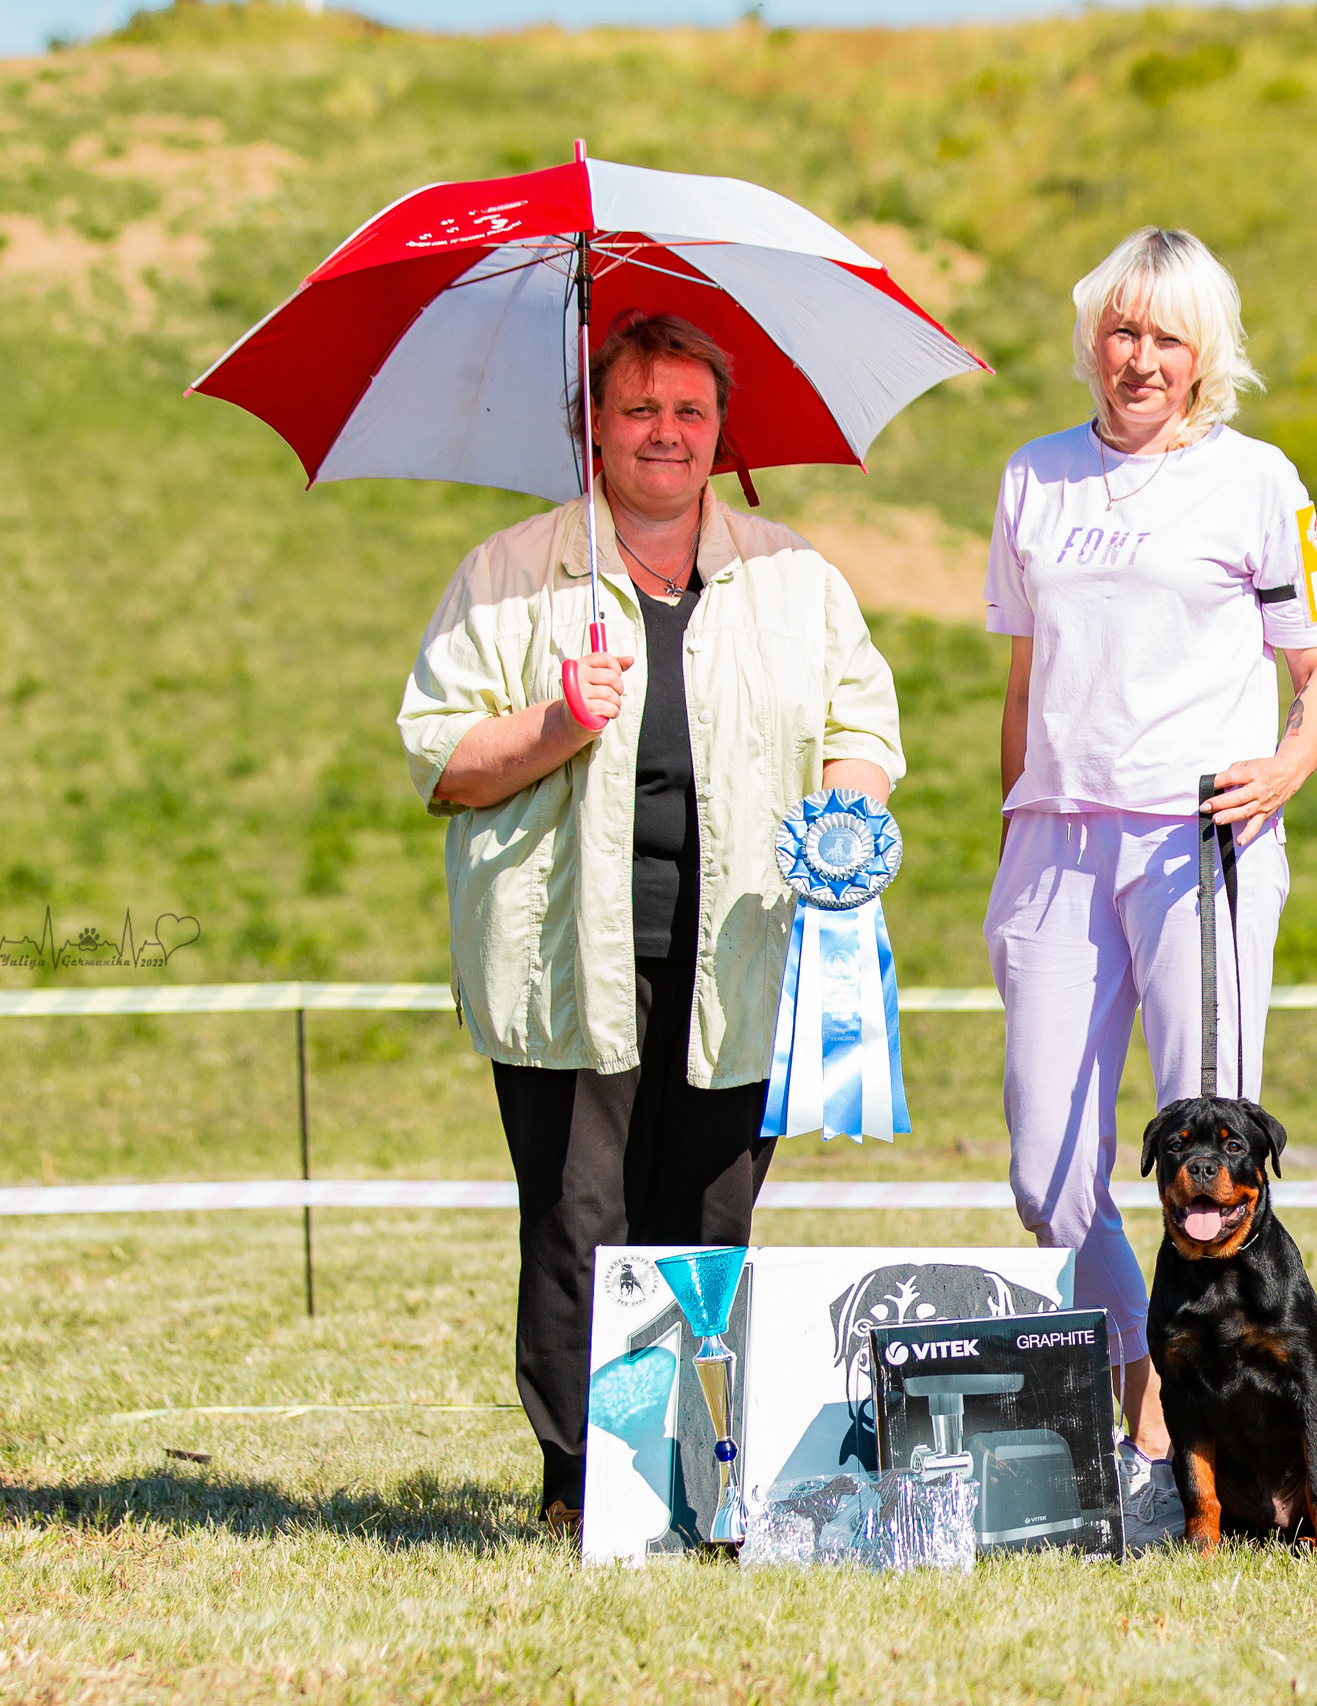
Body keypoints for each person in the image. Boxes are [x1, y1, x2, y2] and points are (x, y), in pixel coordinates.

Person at [398, 313, 903, 1535]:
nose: (665, 432)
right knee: (580, 1219)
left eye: (689, 410)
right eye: (638, 409)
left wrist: (847, 814)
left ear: (720, 430)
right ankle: (584, 1482)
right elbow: (444, 760)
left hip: (741, 952)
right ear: (592, 426)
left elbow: (864, 724)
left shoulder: (798, 576)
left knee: (709, 1217)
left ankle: (697, 1473)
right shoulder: (511, 572)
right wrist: (556, 720)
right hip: (564, 961)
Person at [981, 228, 1317, 1546]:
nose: (1141, 358)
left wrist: (1286, 770)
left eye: (1168, 338)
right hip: (1057, 843)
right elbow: (1021, 686)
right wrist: (1013, 827)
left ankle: (1159, 1442)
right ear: (1093, 338)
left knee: (1209, 1150)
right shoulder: (1033, 475)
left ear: (1207, 357)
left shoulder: (1257, 483)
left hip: (1200, 845)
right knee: (1048, 1168)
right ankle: (1139, 1367)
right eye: (1122, 331)